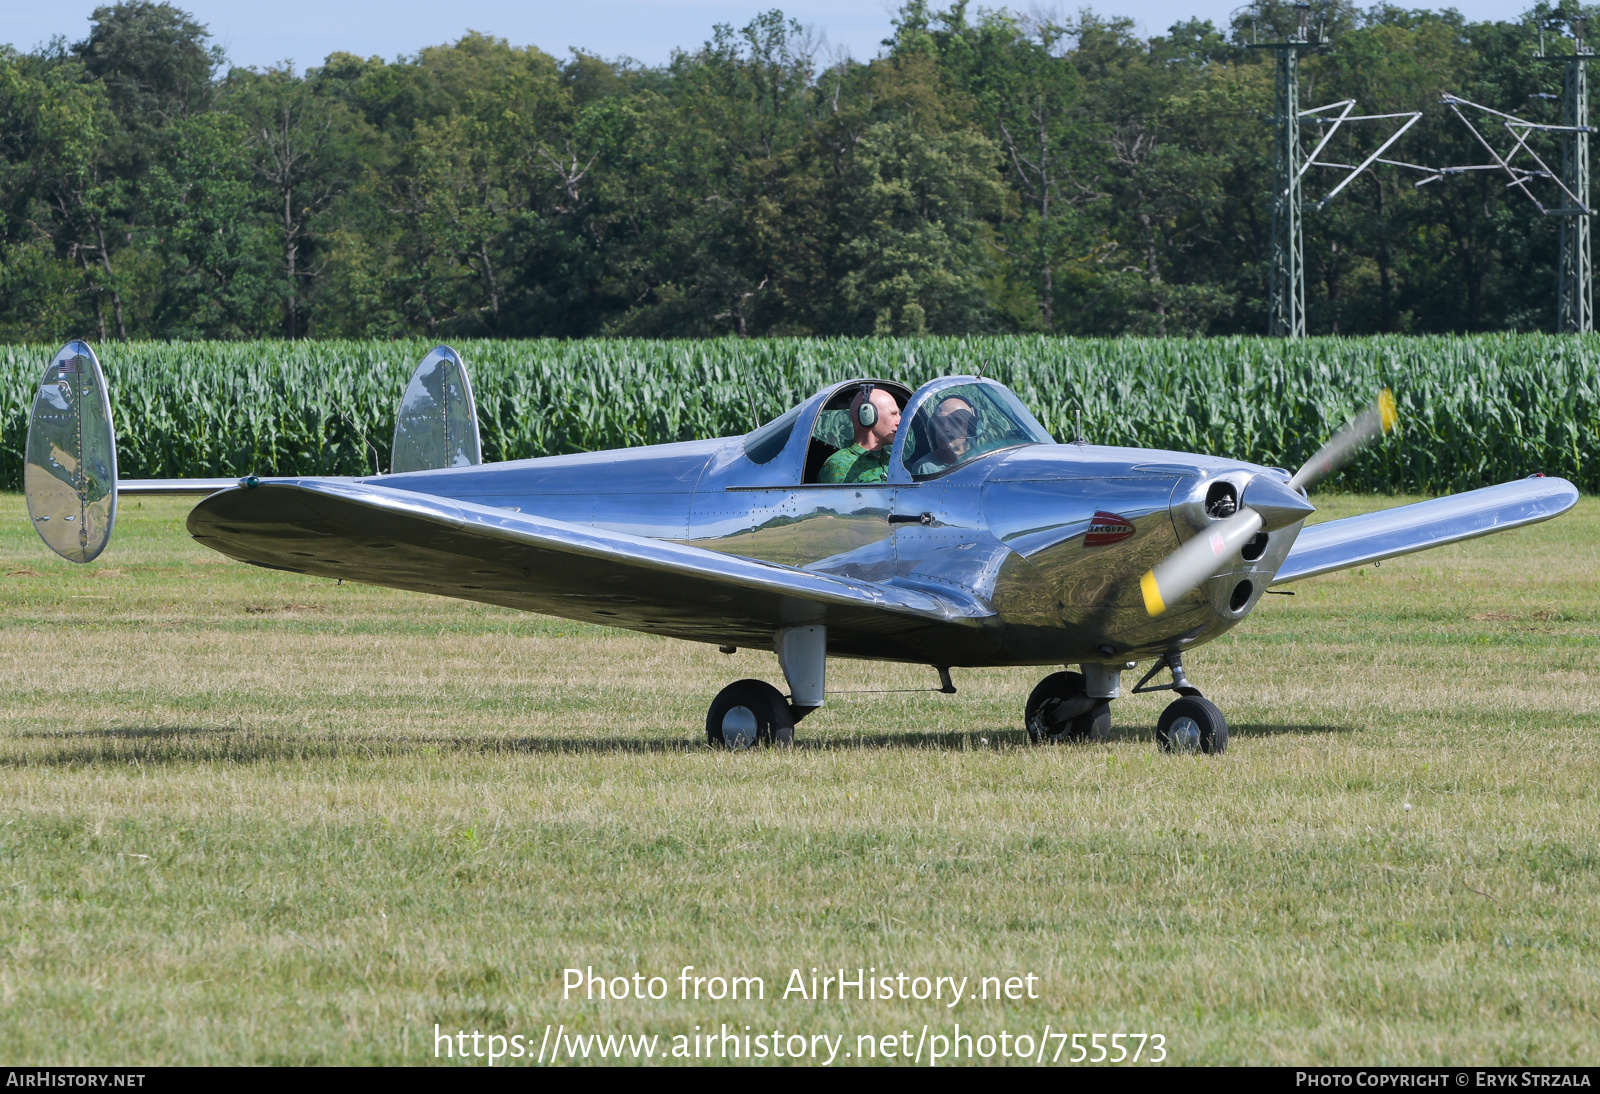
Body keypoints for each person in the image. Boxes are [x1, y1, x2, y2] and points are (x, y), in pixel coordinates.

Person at [817, 386, 901, 484]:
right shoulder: (841, 466)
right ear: (868, 416)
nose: (900, 421)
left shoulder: (895, 462)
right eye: (893, 414)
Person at [910, 394, 977, 476]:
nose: (945, 428)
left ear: (970, 428)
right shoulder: (925, 469)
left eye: (955, 421)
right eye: (940, 421)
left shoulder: (983, 461)